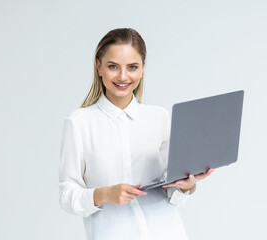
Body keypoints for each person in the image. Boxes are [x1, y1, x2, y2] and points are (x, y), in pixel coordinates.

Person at [59, 28, 214, 240]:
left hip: (168, 233)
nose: (123, 76)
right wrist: (105, 194)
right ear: (99, 66)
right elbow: (67, 194)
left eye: (132, 67)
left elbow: (173, 191)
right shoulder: (79, 123)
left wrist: (187, 185)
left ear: (142, 69)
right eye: (113, 66)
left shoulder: (158, 117)